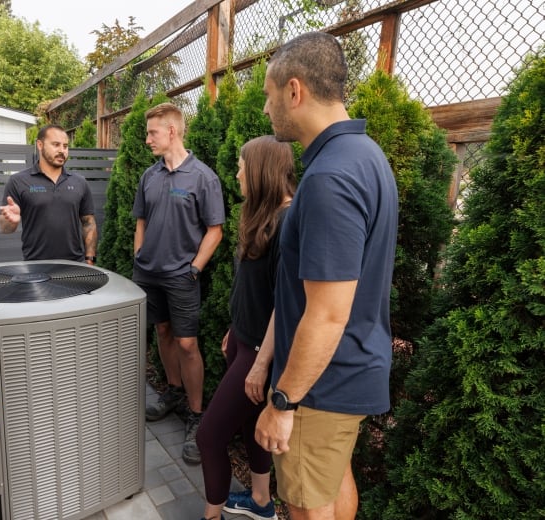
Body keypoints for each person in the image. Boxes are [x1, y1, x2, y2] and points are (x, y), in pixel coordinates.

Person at [254, 32, 399, 520]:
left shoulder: (329, 178)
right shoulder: (365, 156)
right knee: (335, 485)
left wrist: (283, 401)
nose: (266, 110)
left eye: (269, 97)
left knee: (306, 506)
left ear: (294, 91)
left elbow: (329, 313)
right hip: (345, 375)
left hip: (320, 385)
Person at [197, 136, 297, 520]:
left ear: (260, 171)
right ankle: (260, 502)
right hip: (243, 340)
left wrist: (259, 363)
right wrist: (234, 329)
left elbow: (284, 303)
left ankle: (211, 515)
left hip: (261, 351)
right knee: (252, 425)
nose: (237, 171)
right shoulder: (259, 215)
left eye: (241, 165)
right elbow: (252, 288)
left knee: (208, 437)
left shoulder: (287, 222)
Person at [133, 102, 225, 464]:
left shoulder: (203, 177)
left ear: (172, 131)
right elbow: (140, 221)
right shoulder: (149, 176)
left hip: (182, 276)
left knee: (188, 343)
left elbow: (215, 231)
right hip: (149, 273)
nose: (147, 139)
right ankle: (172, 393)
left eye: (152, 133)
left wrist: (195, 269)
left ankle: (196, 414)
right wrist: (140, 255)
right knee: (163, 333)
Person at [0, 124, 98, 264]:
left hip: (75, 265)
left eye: (65, 146)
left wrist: (90, 259)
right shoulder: (18, 181)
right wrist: (10, 221)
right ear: (40, 144)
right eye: (56, 145)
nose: (62, 150)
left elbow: (89, 223)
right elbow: (4, 228)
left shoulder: (79, 182)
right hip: (35, 266)